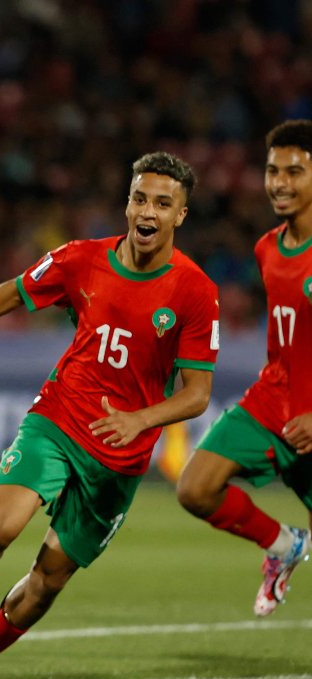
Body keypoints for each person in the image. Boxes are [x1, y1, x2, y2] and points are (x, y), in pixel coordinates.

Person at [0, 152, 219, 679]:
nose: (148, 211)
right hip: (62, 418)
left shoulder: (194, 290)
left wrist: (140, 419)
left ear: (180, 215)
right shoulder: (82, 259)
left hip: (120, 456)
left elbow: (198, 393)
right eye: (140, 198)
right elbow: (12, 292)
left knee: (48, 580)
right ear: (127, 203)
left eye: (163, 204)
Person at [177, 120, 312, 616]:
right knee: (195, 488)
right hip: (272, 401)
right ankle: (284, 545)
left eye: (294, 172)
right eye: (273, 171)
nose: (280, 182)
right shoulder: (267, 248)